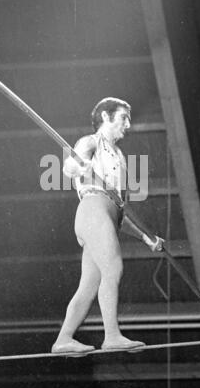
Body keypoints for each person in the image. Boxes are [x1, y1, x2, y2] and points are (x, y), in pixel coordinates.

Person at [52, 97, 164, 354]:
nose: (128, 124)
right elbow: (70, 166)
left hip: (106, 217)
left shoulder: (119, 156)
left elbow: (119, 215)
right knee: (113, 269)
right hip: (93, 211)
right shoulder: (91, 142)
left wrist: (146, 238)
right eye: (123, 117)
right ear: (105, 116)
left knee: (90, 284)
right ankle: (112, 336)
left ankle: (63, 340)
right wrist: (80, 166)